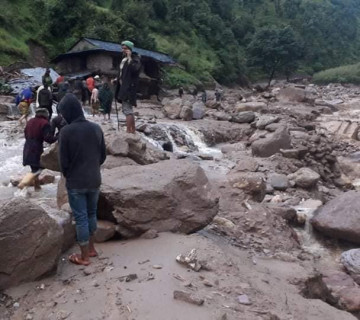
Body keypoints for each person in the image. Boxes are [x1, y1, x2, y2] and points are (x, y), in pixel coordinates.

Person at [58, 93, 106, 266]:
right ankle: (92, 249)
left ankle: (84, 256)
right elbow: (102, 156)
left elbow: (63, 162)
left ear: (68, 112)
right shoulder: (96, 128)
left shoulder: (66, 132)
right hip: (94, 179)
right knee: (92, 213)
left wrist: (68, 175)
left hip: (76, 182)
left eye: (63, 114)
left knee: (81, 218)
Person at [23, 108, 57, 190]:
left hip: (27, 146)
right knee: (39, 168)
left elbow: (25, 133)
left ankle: (37, 187)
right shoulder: (44, 123)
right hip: (36, 148)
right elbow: (48, 138)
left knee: (34, 168)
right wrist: (58, 137)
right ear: (46, 115)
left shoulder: (30, 121)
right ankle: (24, 183)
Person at [115, 40, 141, 133]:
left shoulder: (135, 58)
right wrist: (117, 79)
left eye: (125, 48)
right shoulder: (124, 59)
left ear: (130, 49)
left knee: (127, 110)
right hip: (123, 87)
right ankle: (132, 130)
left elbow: (135, 69)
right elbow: (123, 73)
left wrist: (130, 57)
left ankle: (129, 131)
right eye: (122, 48)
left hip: (129, 88)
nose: (123, 50)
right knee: (128, 109)